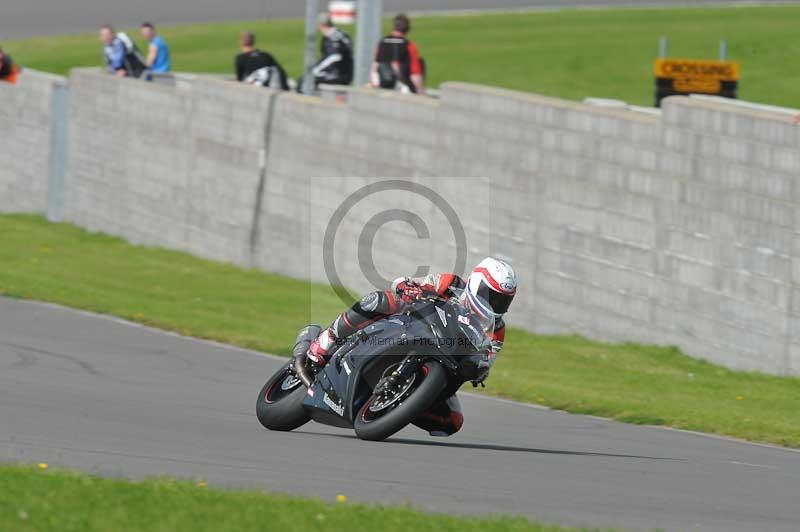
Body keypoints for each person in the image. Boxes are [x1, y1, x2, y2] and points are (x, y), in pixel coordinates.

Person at [307, 257, 517, 436]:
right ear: (475, 282)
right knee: (379, 301)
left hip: (448, 362)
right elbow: (410, 283)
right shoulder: (451, 284)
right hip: (414, 325)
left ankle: (405, 404)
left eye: (502, 301)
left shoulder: (497, 329)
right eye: (491, 295)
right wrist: (408, 288)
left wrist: (478, 369)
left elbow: (487, 359)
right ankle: (327, 340)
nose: (494, 304)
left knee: (453, 421)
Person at [370, 13, 425, 94]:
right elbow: (415, 74)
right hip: (403, 89)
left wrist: (373, 84)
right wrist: (421, 92)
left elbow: (375, 66)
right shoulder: (409, 45)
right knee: (421, 62)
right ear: (407, 29)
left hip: (383, 86)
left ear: (393, 27)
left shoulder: (382, 43)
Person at [300, 13, 353, 91]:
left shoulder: (332, 39)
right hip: (345, 73)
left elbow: (334, 58)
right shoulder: (343, 34)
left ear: (321, 25)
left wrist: (315, 70)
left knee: (304, 81)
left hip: (339, 74)